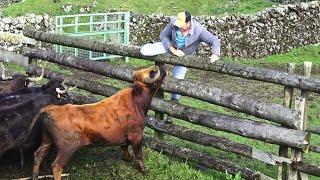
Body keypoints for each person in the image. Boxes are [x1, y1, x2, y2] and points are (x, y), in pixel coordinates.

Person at [140, 11, 221, 123]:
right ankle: (153, 46)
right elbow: (163, 35)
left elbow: (213, 39)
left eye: (182, 24)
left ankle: (171, 112)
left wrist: (215, 54)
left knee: (177, 85)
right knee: (144, 50)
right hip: (171, 48)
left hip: (184, 56)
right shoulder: (174, 22)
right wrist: (171, 49)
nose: (179, 26)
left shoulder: (198, 30)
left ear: (189, 23)